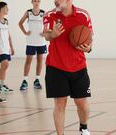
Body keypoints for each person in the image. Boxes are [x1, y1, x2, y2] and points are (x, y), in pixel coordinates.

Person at [43, 0, 93, 134]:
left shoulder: (83, 15)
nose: (55, 1)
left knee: (81, 103)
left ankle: (83, 127)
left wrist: (88, 48)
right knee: (60, 104)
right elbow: (46, 34)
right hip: (56, 67)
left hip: (78, 67)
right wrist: (52, 35)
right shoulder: (49, 15)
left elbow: (89, 37)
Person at [18, 0, 47, 91]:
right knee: (28, 61)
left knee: (39, 61)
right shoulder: (28, 12)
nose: (36, 2)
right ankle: (25, 81)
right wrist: (25, 32)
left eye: (38, 1)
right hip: (31, 42)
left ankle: (37, 80)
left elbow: (47, 24)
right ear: (32, 2)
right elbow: (20, 23)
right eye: (34, 1)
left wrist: (45, 32)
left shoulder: (43, 13)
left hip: (41, 42)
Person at [0, 1, 14, 94]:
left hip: (6, 48)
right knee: (5, 64)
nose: (8, 9)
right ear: (1, 9)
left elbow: (8, 35)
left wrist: (11, 46)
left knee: (5, 66)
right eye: (6, 8)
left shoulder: (6, 21)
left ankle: (2, 84)